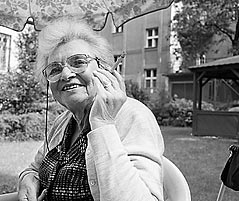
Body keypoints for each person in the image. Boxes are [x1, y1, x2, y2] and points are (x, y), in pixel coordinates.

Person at [18, 17, 164, 201]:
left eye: (78, 62)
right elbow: (34, 168)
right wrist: (28, 178)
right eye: (54, 69)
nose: (65, 74)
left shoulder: (133, 115)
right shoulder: (63, 121)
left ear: (104, 69)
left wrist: (103, 125)